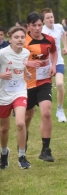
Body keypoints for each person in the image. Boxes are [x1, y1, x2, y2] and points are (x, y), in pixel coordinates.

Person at [24, 11, 57, 162]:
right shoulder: (22, 41)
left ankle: (45, 150)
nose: (38, 28)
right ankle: (22, 142)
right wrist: (27, 63)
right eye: (34, 25)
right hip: (26, 84)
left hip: (44, 82)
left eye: (40, 25)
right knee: (26, 117)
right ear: (28, 26)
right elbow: (11, 59)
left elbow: (54, 52)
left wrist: (54, 65)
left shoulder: (49, 39)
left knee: (46, 113)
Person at [0, 26, 32, 169]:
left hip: (20, 91)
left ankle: (22, 156)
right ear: (10, 39)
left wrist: (26, 73)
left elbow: (21, 65)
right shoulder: (2, 53)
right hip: (3, 93)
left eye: (22, 37)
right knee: (4, 129)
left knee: (20, 123)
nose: (20, 40)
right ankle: (4, 152)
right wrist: (1, 75)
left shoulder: (26, 52)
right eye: (16, 37)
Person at [41, 8, 67, 123]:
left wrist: (65, 47)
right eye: (47, 18)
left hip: (58, 61)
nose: (50, 19)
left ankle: (60, 109)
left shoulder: (59, 27)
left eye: (51, 17)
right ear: (43, 20)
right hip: (45, 64)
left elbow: (63, 35)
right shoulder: (41, 31)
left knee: (60, 84)